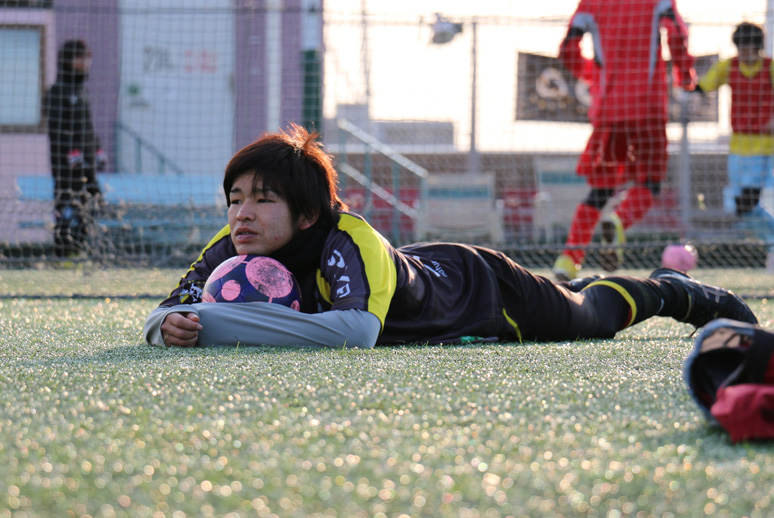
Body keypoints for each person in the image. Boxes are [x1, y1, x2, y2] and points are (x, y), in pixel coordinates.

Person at [143, 124, 757, 349]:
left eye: (262, 199)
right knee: (578, 297)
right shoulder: (234, 244)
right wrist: (166, 327)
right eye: (235, 199)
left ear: (306, 213)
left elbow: (354, 333)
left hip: (480, 290)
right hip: (424, 272)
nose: (242, 214)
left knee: (590, 316)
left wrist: (216, 325)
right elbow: (166, 310)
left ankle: (673, 290)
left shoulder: (346, 237)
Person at [552, 0, 697, 281]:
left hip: (610, 109)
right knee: (649, 182)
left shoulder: (591, 4)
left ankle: (568, 259)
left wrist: (593, 75)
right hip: (648, 108)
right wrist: (683, 73)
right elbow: (676, 34)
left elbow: (567, 49)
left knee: (600, 189)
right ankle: (619, 220)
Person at [695, 23, 774, 271]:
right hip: (738, 147)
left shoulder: (770, 68)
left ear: (759, 49)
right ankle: (772, 245)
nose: (745, 56)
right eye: (741, 50)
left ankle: (772, 247)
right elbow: (701, 86)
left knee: (755, 201)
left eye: (749, 50)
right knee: (740, 208)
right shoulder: (728, 66)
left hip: (766, 148)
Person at [44, 39, 108, 258]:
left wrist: (97, 150)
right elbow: (57, 128)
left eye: (87, 58)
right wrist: (71, 152)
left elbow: (87, 126)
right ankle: (62, 253)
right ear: (68, 60)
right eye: (80, 58)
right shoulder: (57, 91)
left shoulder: (81, 90)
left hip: (86, 163)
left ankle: (79, 249)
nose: (85, 63)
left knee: (92, 204)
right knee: (66, 205)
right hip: (66, 166)